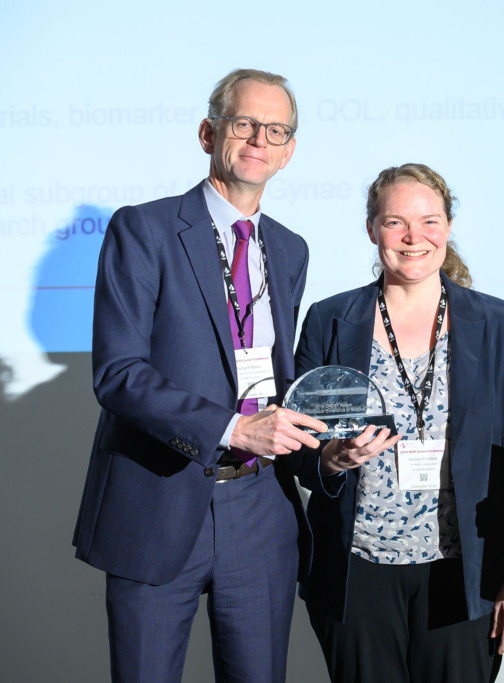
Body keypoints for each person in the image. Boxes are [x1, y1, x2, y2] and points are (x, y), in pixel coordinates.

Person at [73, 68, 327, 683]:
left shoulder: (290, 249)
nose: (259, 139)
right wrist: (233, 430)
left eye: (276, 130)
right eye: (244, 123)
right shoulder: (144, 229)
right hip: (158, 501)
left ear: (289, 151)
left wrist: (323, 449)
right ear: (209, 131)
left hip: (260, 510)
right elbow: (118, 373)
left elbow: (275, 373)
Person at [289, 163, 504, 682]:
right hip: (356, 571)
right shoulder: (329, 320)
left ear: (447, 227)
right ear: (372, 228)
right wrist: (331, 460)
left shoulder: (496, 322)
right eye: (395, 222)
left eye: (429, 221)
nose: (412, 237)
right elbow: (297, 446)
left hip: (464, 568)